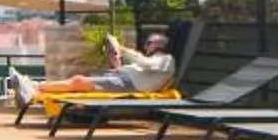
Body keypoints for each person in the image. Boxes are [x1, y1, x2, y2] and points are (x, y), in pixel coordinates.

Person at [10, 30, 173, 110]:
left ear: (160, 45)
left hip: (128, 84)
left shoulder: (166, 59)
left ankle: (33, 88)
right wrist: (115, 59)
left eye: (149, 42)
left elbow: (146, 64)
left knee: (78, 81)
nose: (146, 45)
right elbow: (140, 68)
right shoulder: (154, 61)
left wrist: (122, 49)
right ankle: (33, 88)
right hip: (123, 79)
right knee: (78, 81)